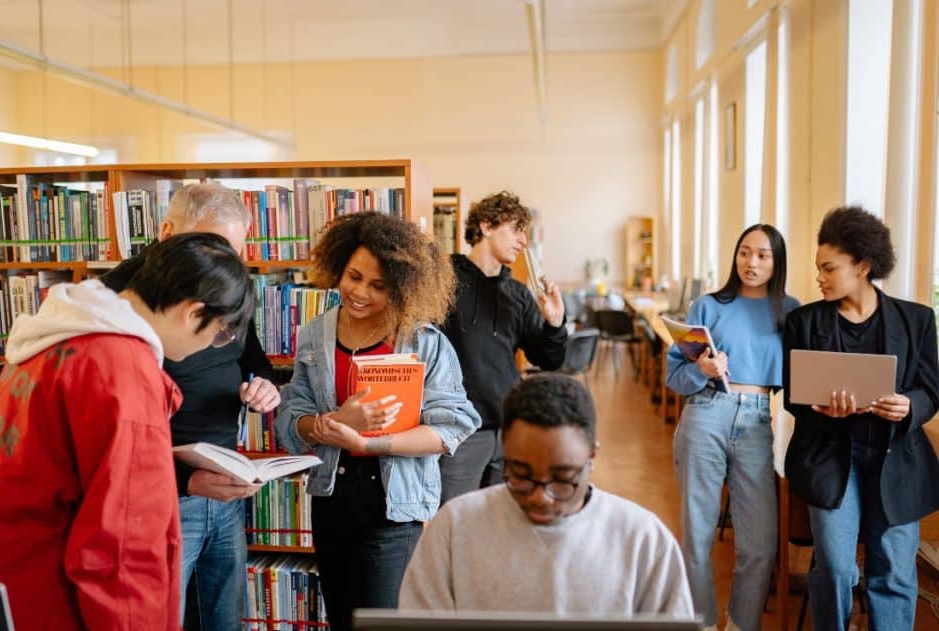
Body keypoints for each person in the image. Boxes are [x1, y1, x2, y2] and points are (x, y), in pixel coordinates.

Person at [0, 233, 255, 630]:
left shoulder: (57, 338)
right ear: (192, 312)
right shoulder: (122, 371)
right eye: (220, 333)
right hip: (59, 607)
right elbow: (122, 552)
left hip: (11, 591)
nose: (213, 346)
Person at [275, 211, 481, 631]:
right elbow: (290, 418)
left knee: (380, 621)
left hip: (393, 504)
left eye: (378, 286)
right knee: (341, 617)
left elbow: (452, 426)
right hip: (331, 498)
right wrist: (330, 422)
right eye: (353, 276)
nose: (360, 293)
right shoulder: (315, 334)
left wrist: (370, 444)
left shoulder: (424, 341)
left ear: (403, 290)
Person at [101, 182, 279, 631]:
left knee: (222, 620)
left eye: (234, 255)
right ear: (168, 233)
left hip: (224, 480)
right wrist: (188, 479)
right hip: (163, 494)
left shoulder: (224, 288)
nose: (225, 271)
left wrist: (261, 386)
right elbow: (111, 447)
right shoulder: (112, 312)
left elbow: (252, 361)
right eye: (212, 247)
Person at [399, 373, 694, 618]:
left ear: (592, 455)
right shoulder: (455, 527)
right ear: (505, 452)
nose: (541, 498)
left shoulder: (643, 539)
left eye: (563, 480)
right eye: (521, 476)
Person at [783, 206, 939, 631]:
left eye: (829, 268)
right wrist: (819, 409)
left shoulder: (918, 320)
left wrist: (909, 406)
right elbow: (793, 399)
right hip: (832, 458)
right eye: (818, 269)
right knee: (834, 568)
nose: (819, 278)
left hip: (898, 461)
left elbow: (931, 391)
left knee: (893, 572)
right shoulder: (803, 322)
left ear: (864, 265)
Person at [666, 224, 800, 631]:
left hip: (759, 418)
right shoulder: (707, 305)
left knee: (760, 545)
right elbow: (674, 374)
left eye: (762, 255)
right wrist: (701, 369)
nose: (751, 262)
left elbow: (799, 374)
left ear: (777, 262)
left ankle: (741, 624)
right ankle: (703, 624)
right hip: (706, 411)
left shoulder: (790, 310)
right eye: (745, 252)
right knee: (698, 537)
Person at [439, 191, 567, 503]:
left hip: (509, 430)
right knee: (456, 525)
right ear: (486, 226)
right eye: (515, 230)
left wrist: (554, 323)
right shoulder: (443, 282)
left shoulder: (518, 294)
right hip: (461, 431)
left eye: (525, 232)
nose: (523, 241)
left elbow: (548, 359)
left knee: (501, 527)